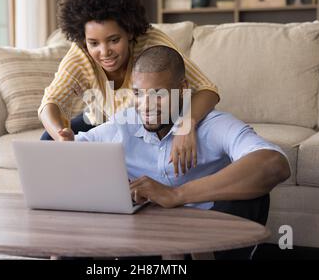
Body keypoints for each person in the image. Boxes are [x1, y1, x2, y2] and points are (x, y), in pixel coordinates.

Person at [59, 45, 291, 260]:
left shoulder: (214, 125)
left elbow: (274, 164)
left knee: (253, 195)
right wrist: (66, 146)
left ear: (182, 89)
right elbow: (71, 154)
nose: (146, 105)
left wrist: (176, 194)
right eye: (139, 93)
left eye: (158, 94)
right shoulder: (124, 124)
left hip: (212, 237)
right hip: (151, 242)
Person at [39, 0, 220, 176]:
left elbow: (208, 90)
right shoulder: (80, 53)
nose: (104, 51)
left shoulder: (152, 43)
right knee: (48, 139)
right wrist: (61, 136)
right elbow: (50, 102)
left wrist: (185, 126)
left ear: (130, 31)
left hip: (143, 121)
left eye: (114, 40)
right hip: (100, 120)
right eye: (94, 43)